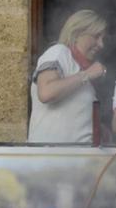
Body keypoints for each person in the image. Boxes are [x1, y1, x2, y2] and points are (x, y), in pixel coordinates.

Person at [27, 10, 107, 144]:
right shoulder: (59, 52)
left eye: (103, 38)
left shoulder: (79, 71)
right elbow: (46, 93)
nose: (101, 44)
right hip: (52, 158)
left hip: (74, 159)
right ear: (77, 33)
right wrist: (87, 74)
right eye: (96, 36)